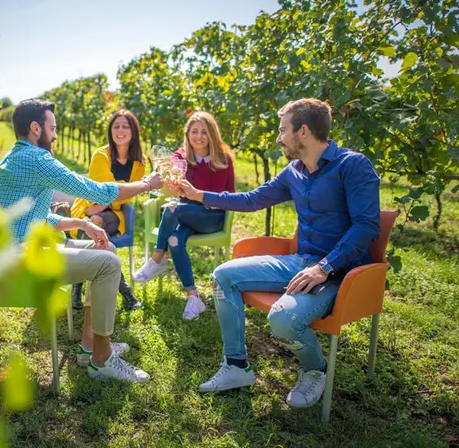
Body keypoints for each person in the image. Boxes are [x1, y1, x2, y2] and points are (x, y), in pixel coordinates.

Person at [176, 98, 380, 409]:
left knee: (283, 319)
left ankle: (315, 369)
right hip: (301, 261)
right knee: (222, 276)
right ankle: (236, 366)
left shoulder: (352, 166)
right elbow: (251, 199)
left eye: (283, 130)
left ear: (303, 132)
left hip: (339, 272)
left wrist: (324, 267)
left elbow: (366, 227)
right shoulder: (294, 171)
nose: (278, 137)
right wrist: (197, 194)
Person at [0, 99, 164, 383]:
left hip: (17, 250)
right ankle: (102, 359)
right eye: (52, 128)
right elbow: (94, 191)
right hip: (21, 259)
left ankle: (89, 346)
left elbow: (34, 216)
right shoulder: (36, 159)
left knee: (106, 247)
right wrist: (146, 184)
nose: (55, 135)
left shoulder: (16, 158)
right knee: (108, 264)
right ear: (36, 128)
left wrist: (82, 223)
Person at [133, 111, 235, 320]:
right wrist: (172, 174)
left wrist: (201, 198)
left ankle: (157, 259)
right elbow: (174, 164)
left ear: (212, 134)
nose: (198, 136)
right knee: (174, 239)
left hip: (211, 217)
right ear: (188, 134)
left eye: (204, 132)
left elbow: (228, 195)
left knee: (172, 208)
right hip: (187, 214)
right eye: (194, 131)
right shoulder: (182, 157)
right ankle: (193, 297)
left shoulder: (223, 159)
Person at [69, 109, 147, 312]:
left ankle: (76, 286)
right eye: (116, 126)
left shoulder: (140, 162)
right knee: (95, 223)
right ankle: (127, 293)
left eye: (125, 126)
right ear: (110, 131)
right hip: (88, 207)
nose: (120, 131)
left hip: (114, 213)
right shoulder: (101, 155)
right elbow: (104, 189)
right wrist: (120, 191)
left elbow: (128, 194)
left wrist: (106, 202)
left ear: (133, 131)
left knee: (95, 221)